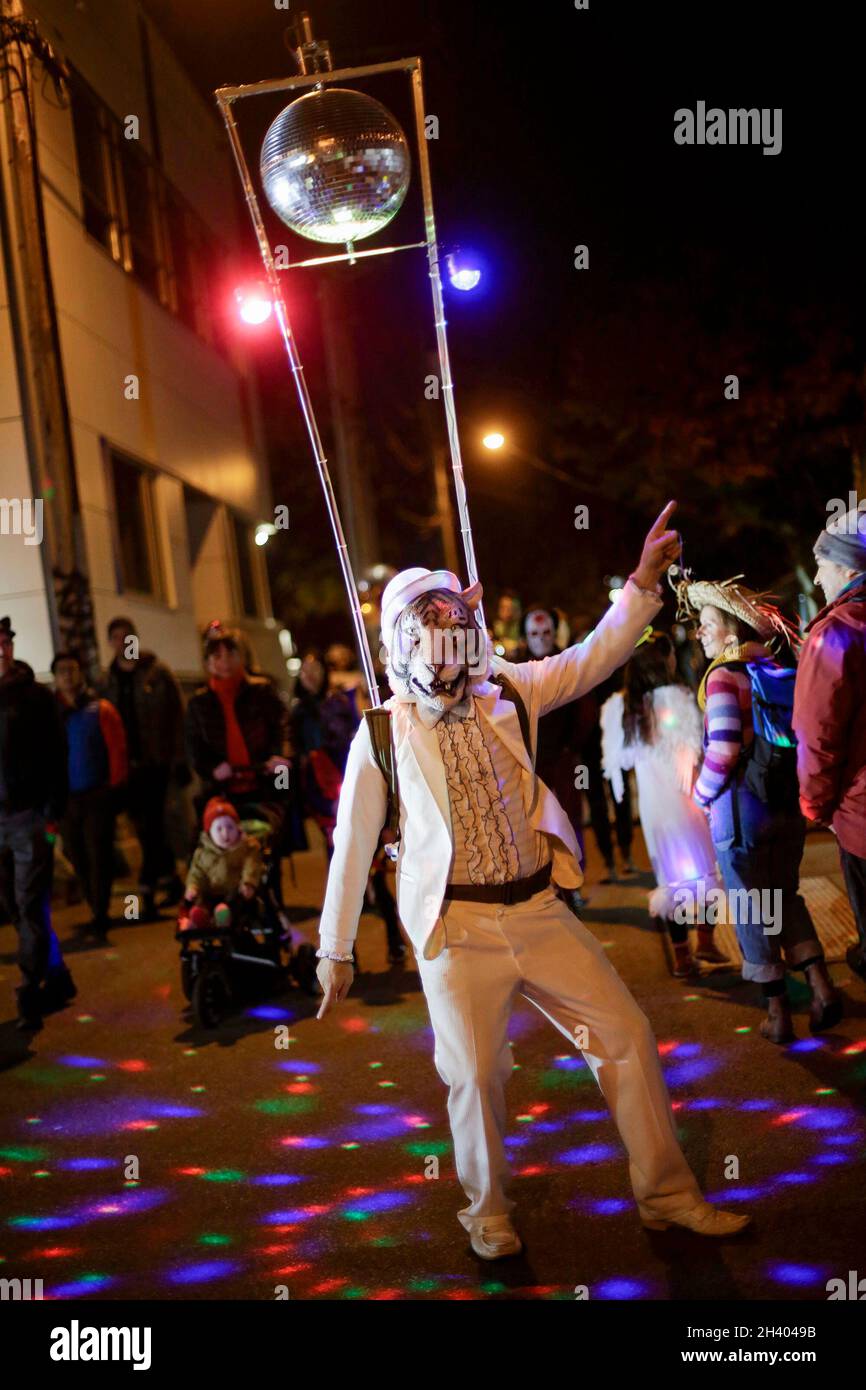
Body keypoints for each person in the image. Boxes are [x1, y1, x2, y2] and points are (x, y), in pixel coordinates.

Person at [316, 503, 751, 1259]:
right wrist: (335, 948)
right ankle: (487, 1212)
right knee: (476, 1074)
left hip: (540, 909)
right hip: (456, 930)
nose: (450, 657)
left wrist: (641, 587)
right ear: (406, 644)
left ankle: (668, 1195)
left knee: (627, 1036)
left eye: (458, 636)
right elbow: (351, 845)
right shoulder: (382, 732)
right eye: (435, 639)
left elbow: (591, 657)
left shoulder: (510, 691)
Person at [674, 571, 841, 1043]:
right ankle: (822, 986)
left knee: (752, 904)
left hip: (742, 813)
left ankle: (776, 1012)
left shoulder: (725, 677)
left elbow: (724, 748)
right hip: (785, 807)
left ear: (732, 630)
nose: (700, 631)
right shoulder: (776, 671)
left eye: (707, 622)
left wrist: (700, 795)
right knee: (785, 897)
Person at [601, 632, 728, 976]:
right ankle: (705, 941)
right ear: (663, 660)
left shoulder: (620, 709)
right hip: (687, 801)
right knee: (706, 871)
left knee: (672, 878)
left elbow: (617, 763)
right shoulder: (678, 698)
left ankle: (683, 954)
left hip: (655, 808)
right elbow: (698, 747)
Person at [291, 649, 405, 963]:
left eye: (316, 669)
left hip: (361, 796)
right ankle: (345, 950)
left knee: (376, 876)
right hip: (329, 803)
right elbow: (301, 758)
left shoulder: (342, 705)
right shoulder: (302, 714)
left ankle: (394, 940)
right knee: (342, 875)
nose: (311, 675)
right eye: (305, 671)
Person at [792, 506, 866, 980]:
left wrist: (815, 806)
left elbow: (816, 734)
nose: (817, 577)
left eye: (822, 564)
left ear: (846, 567)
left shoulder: (835, 633)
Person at [0, 617, 76, 1030]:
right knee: (13, 904)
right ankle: (57, 973)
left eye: (4, 643)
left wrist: (53, 813)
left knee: (29, 902)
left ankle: (30, 988)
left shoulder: (36, 698)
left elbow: (56, 755)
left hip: (29, 815)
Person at [100, 617, 186, 920]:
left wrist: (180, 759)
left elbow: (178, 716)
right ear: (110, 642)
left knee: (155, 823)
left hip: (157, 762)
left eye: (128, 637)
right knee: (146, 827)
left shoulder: (157, 672)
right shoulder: (107, 680)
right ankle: (171, 881)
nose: (123, 643)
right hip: (126, 767)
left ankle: (147, 889)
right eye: (116, 638)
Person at [519, 606, 592, 913]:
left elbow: (586, 710)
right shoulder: (517, 667)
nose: (540, 640)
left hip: (569, 763)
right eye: (534, 634)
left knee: (572, 818)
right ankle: (549, 886)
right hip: (533, 764)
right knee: (538, 826)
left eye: (546, 633)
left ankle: (574, 884)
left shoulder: (566, 662)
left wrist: (572, 748)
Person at [53, 651, 128, 939]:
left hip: (97, 793)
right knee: (76, 854)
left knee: (99, 854)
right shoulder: (52, 714)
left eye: (72, 669)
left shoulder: (100, 709)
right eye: (61, 671)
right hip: (67, 798)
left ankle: (100, 911)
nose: (67, 676)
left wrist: (115, 786)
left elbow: (117, 749)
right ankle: (93, 902)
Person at [179, 797, 262, 930]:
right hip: (210, 894)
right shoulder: (202, 853)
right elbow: (197, 873)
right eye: (219, 829)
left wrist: (249, 882)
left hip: (235, 894)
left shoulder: (246, 848)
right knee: (201, 904)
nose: (225, 833)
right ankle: (201, 918)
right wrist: (193, 886)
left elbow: (251, 866)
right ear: (210, 833)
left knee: (236, 904)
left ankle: (223, 917)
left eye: (230, 827)